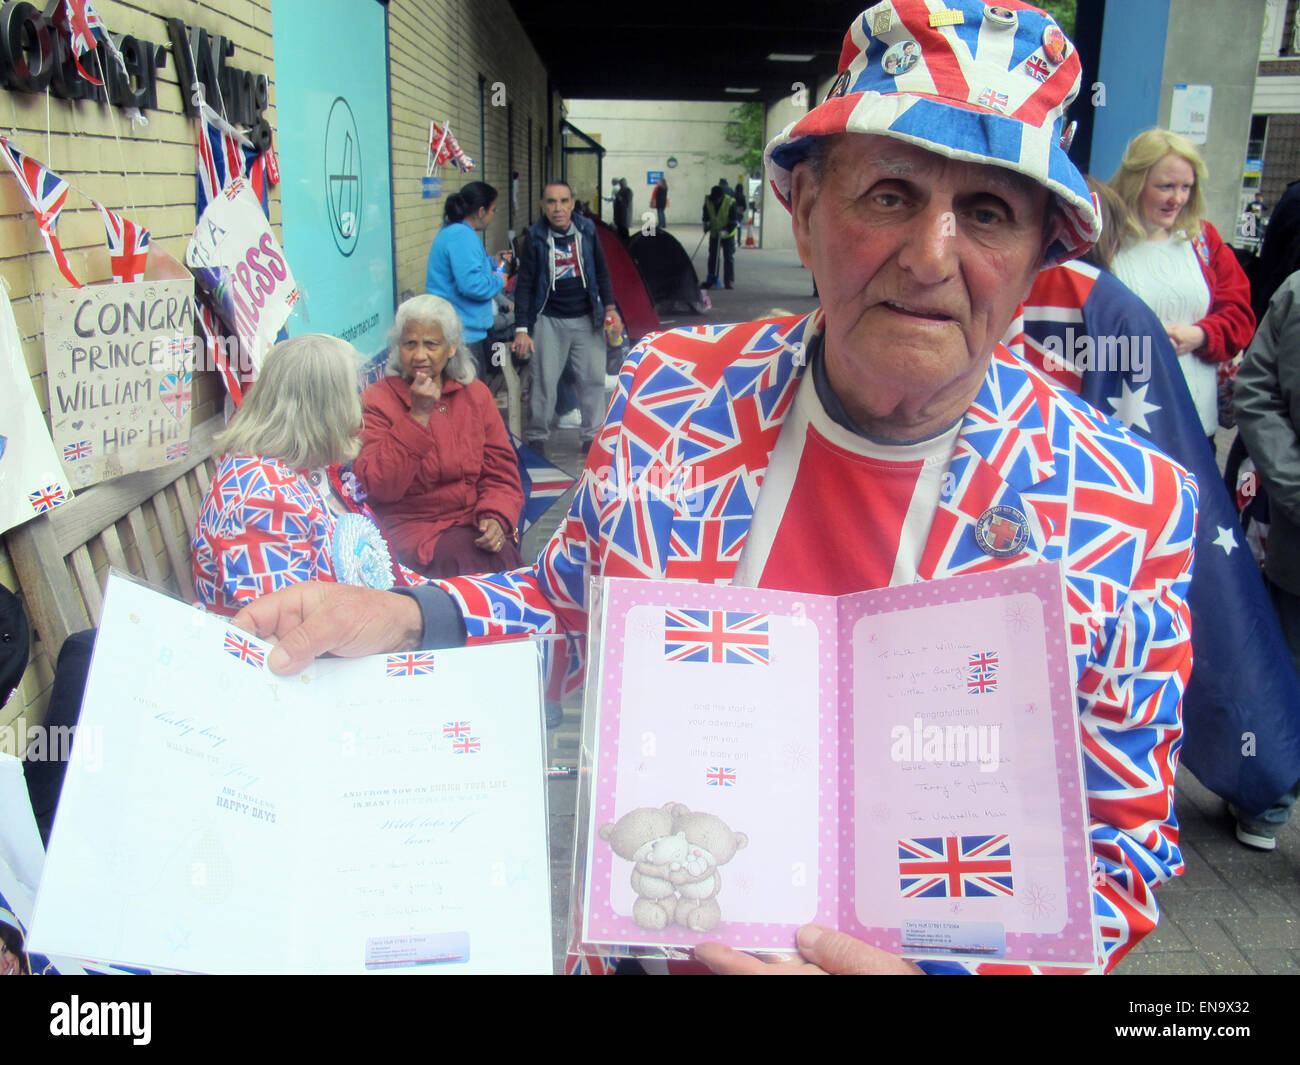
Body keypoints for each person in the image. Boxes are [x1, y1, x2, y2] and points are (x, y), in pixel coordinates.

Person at [233, 0, 1195, 975]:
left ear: (1038, 256)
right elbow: (570, 614)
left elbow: (1117, 854)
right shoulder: (672, 393)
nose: (931, 255)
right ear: (807, 209)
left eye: (987, 213)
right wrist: (403, 618)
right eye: (890, 195)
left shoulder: (1123, 512)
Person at [193, 335, 419, 617]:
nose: (358, 405)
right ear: (324, 410)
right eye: (352, 393)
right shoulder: (261, 498)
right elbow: (285, 626)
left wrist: (423, 601)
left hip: (357, 622)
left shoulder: (304, 464)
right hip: (318, 650)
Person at [353, 295, 524, 578]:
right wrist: (418, 416)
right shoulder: (376, 401)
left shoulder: (475, 394)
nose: (419, 355)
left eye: (431, 344)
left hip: (472, 523)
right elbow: (380, 485)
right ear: (398, 347)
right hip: (413, 532)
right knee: (469, 564)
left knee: (508, 566)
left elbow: (501, 473)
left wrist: (496, 517)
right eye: (410, 344)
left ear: (451, 347)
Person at [1110, 130, 1255, 443]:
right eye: (1166, 186)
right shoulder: (1104, 240)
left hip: (1196, 423)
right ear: (1136, 182)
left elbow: (1240, 314)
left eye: (1186, 187)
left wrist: (1201, 336)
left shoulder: (1203, 240)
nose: (1177, 198)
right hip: (1123, 423)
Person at [1232, 270, 1300, 849]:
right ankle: (1269, 795)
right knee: (1286, 671)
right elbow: (1257, 390)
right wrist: (1294, 486)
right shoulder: (1297, 294)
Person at [510, 181, 623, 458]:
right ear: (542, 206)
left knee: (593, 380)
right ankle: (537, 437)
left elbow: (602, 271)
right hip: (549, 319)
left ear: (572, 203)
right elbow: (524, 285)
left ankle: (591, 436)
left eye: (563, 201)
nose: (557, 208)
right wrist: (522, 329)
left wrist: (610, 308)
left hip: (587, 318)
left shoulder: (586, 230)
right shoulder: (535, 237)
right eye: (551, 202)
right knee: (544, 382)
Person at [425, 181, 512, 379]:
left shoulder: (454, 232)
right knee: (469, 398)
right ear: (481, 211)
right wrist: (499, 280)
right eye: (492, 210)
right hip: (463, 333)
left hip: (459, 330)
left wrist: (491, 262)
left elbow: (465, 267)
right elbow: (472, 285)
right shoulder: (462, 235)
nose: (492, 216)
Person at [701, 184, 736, 289]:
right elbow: (705, 216)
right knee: (713, 257)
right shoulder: (708, 201)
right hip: (715, 233)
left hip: (727, 235)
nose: (715, 201)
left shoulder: (730, 202)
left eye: (717, 199)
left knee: (728, 257)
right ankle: (712, 280)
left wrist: (726, 231)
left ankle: (728, 281)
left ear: (721, 197)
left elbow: (734, 221)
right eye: (714, 199)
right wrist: (706, 226)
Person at [612, 177, 633, 243]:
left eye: (622, 184)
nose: (621, 185)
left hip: (624, 215)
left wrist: (619, 198)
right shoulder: (620, 190)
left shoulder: (628, 191)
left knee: (624, 231)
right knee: (619, 231)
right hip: (618, 216)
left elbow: (627, 202)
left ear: (625, 183)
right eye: (620, 184)